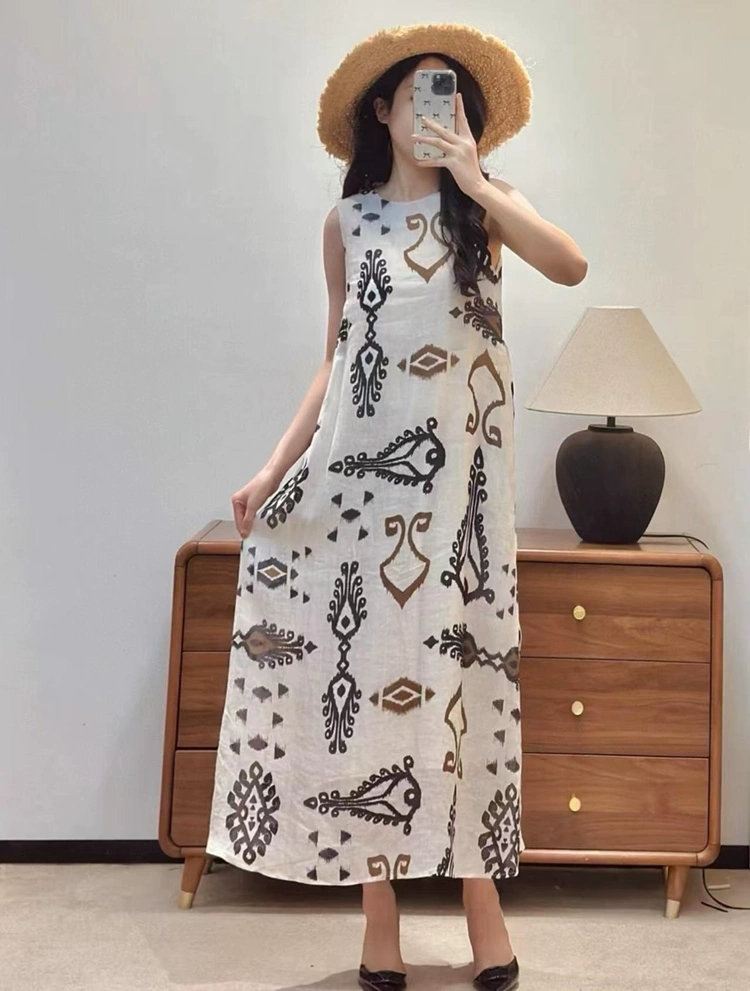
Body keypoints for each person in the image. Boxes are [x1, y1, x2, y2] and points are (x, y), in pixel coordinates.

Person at [206, 23, 587, 991]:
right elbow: (336, 362)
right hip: (358, 492)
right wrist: (271, 469)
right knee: (366, 682)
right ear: (381, 110)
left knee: (469, 687)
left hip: (460, 503)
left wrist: (476, 181)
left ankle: (481, 902)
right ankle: (379, 912)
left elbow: (571, 265)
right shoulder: (348, 224)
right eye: (420, 91)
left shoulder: (487, 211)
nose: (435, 107)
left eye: (451, 93)